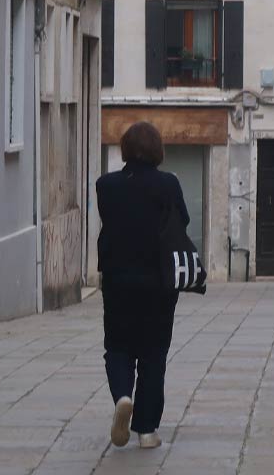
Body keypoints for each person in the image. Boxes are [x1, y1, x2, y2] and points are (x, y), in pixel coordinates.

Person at [96, 122, 190, 450]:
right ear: (157, 150)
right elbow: (184, 221)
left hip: (118, 281)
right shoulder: (169, 185)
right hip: (159, 284)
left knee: (118, 348)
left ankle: (123, 396)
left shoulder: (105, 185)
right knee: (154, 355)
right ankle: (147, 430)